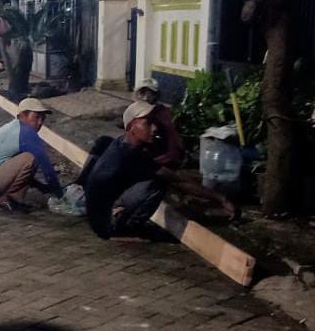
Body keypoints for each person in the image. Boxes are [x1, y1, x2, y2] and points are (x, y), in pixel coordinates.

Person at [78, 100, 235, 239]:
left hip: (97, 214)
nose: (154, 128)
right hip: (105, 225)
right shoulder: (131, 155)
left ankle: (121, 220)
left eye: (154, 123)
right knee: (158, 182)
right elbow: (176, 180)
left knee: (156, 177)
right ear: (132, 127)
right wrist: (221, 198)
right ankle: (126, 229)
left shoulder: (120, 142)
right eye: (148, 124)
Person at [0, 98, 63, 212]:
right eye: (36, 117)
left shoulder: (14, 129)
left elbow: (21, 173)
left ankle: (2, 198)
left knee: (28, 158)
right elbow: (46, 167)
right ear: (22, 116)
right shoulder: (26, 133)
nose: (40, 122)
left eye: (43, 118)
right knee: (30, 158)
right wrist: (61, 195)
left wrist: (43, 188)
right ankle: (8, 200)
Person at [134, 78, 186, 169]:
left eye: (149, 94)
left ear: (155, 96)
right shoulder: (140, 112)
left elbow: (171, 137)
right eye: (142, 93)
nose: (145, 98)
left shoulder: (159, 114)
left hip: (162, 158)